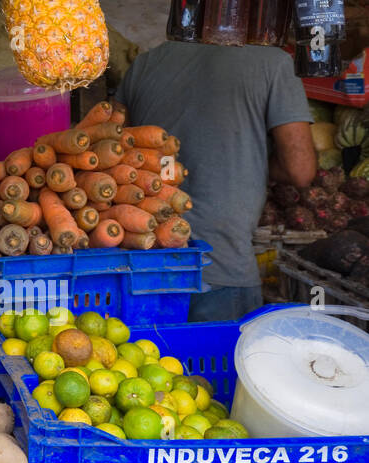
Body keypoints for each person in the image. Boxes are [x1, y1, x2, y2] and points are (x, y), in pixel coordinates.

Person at [114, 42, 316, 322]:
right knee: (215, 361)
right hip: (221, 264)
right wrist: (249, 163)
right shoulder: (273, 62)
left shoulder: (147, 62)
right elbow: (301, 170)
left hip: (143, 263)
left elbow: (112, 154)